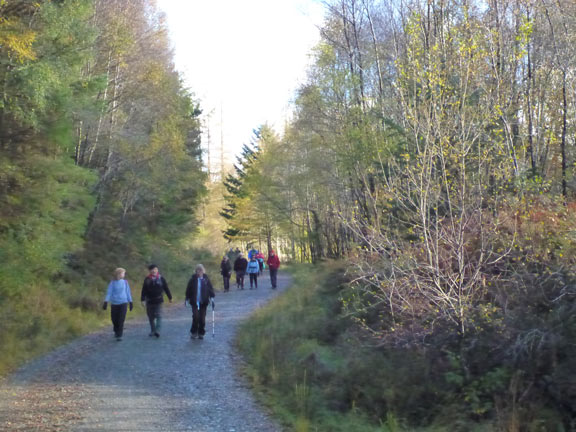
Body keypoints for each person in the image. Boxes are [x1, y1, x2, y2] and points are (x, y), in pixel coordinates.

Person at [140, 264, 172, 338]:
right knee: (151, 317)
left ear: (157, 270)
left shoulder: (161, 278)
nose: (153, 270)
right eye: (152, 269)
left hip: (159, 300)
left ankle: (158, 330)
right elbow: (143, 290)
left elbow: (166, 288)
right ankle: (153, 330)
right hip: (149, 301)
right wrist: (142, 299)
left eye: (155, 269)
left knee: (159, 315)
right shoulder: (147, 279)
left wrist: (170, 297)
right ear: (150, 271)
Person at [185, 264, 215, 340]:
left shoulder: (206, 279)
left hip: (203, 301)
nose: (199, 272)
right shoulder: (193, 279)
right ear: (196, 271)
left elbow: (210, 289)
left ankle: (201, 332)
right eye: (198, 270)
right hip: (195, 302)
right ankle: (194, 332)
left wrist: (212, 298)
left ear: (203, 271)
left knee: (202, 318)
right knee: (196, 316)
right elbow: (188, 289)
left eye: (201, 270)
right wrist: (187, 298)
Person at [102, 267, 133, 341]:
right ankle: (116, 330)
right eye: (123, 273)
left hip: (123, 302)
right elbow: (109, 292)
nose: (124, 275)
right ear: (119, 274)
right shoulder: (112, 283)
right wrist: (106, 302)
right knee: (114, 319)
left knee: (121, 319)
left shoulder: (125, 282)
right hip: (115, 303)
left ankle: (119, 334)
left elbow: (128, 292)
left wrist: (130, 302)